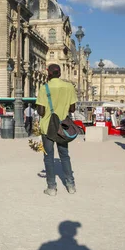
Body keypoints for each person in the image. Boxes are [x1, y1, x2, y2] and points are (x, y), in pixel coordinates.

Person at [36, 64, 77, 196]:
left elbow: (41, 111)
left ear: (49, 73)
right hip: (62, 126)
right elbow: (72, 109)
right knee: (64, 155)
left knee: (48, 157)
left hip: (48, 126)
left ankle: (51, 188)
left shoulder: (44, 88)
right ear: (59, 73)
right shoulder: (69, 86)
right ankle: (71, 185)